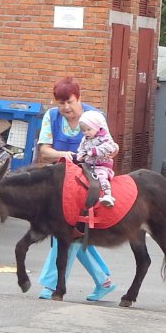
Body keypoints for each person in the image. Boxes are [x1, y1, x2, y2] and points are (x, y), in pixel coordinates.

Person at [35, 77, 116, 301]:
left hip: (86, 182)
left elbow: (109, 148)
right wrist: (67, 155)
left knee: (67, 233)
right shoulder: (51, 117)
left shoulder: (94, 117)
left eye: (69, 102)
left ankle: (52, 285)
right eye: (60, 103)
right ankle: (103, 280)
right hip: (59, 183)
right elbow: (45, 151)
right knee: (75, 236)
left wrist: (89, 157)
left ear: (78, 98)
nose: (65, 108)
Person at [75, 109, 119, 207]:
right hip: (89, 166)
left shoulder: (103, 138)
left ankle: (107, 195)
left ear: (96, 127)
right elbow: (82, 148)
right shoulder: (85, 139)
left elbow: (110, 147)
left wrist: (94, 152)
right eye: (83, 131)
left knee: (101, 176)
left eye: (89, 130)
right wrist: (80, 155)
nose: (86, 133)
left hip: (102, 165)